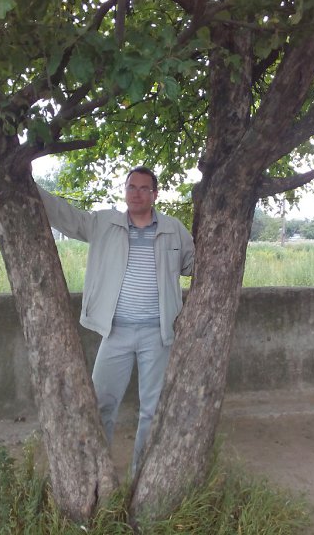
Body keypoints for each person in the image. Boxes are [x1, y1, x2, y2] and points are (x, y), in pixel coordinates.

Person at [37, 166, 194, 471]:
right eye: (131, 187)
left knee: (152, 411)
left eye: (144, 188)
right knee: (100, 405)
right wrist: (30, 185)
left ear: (155, 194)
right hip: (116, 332)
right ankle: (99, 475)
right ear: (125, 191)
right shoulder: (104, 224)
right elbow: (66, 216)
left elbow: (194, 264)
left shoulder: (173, 229)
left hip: (158, 334)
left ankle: (141, 478)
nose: (136, 194)